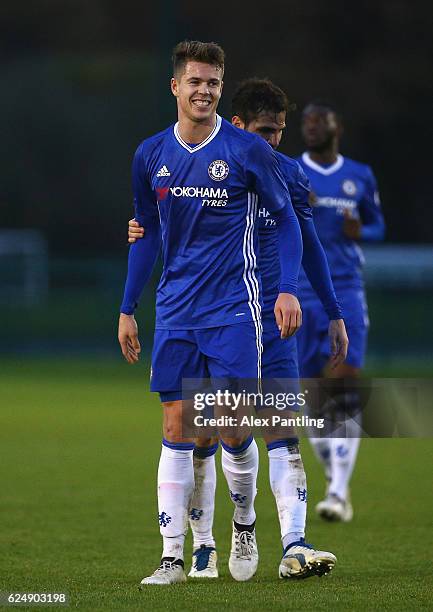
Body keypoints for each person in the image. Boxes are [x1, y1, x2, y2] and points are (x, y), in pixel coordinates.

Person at [127, 78, 349, 580]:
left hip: (275, 325)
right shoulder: (223, 160)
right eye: (265, 132)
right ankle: (201, 545)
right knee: (204, 434)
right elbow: (172, 213)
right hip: (220, 315)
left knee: (280, 433)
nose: (273, 142)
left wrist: (332, 312)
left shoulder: (287, 175)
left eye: (280, 133)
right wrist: (144, 227)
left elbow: (308, 242)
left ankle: (290, 542)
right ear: (241, 127)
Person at [297, 101, 385, 521]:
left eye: (320, 120)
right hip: (301, 291)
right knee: (313, 393)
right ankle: (338, 481)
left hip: (346, 290)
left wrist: (361, 230)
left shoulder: (359, 175)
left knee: (345, 385)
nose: (312, 127)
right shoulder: (292, 172)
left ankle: (336, 490)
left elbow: (378, 225)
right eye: (307, 122)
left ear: (337, 126)